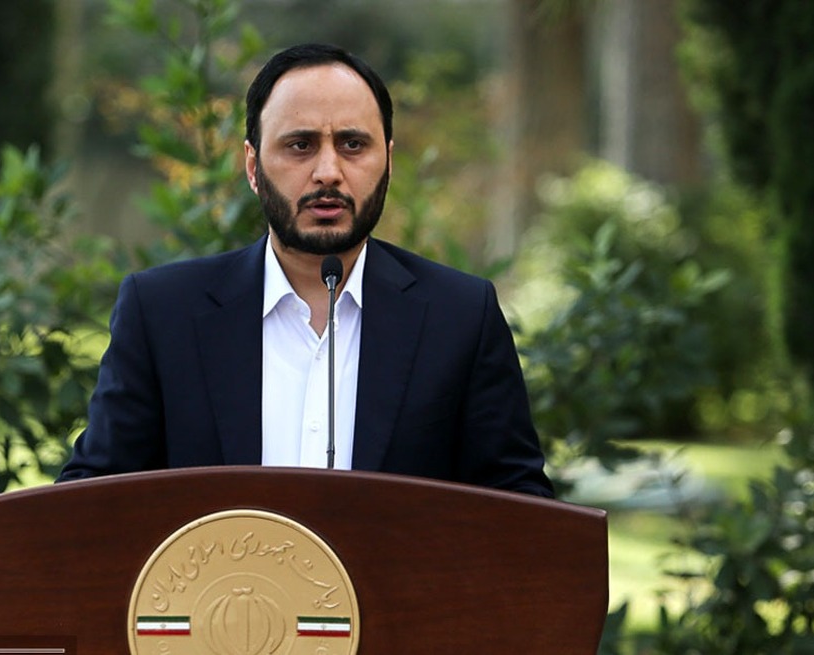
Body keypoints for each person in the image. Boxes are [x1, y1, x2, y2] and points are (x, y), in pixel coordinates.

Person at [57, 43, 553, 497]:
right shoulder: (163, 313)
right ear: (252, 166)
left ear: (388, 161)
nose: (328, 172)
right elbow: (90, 502)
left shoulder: (459, 317)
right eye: (300, 145)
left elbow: (520, 512)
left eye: (353, 145)